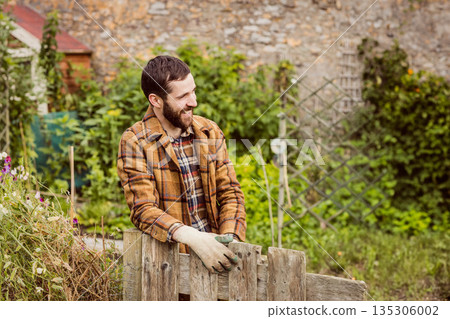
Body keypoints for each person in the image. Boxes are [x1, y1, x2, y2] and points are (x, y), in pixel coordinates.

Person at [117, 55, 246, 273]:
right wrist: (192, 237)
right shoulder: (135, 141)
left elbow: (230, 193)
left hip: (218, 256)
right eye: (183, 96)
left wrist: (228, 241)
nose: (193, 101)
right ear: (156, 100)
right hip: (169, 265)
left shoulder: (209, 131)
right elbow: (143, 209)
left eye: (193, 91)